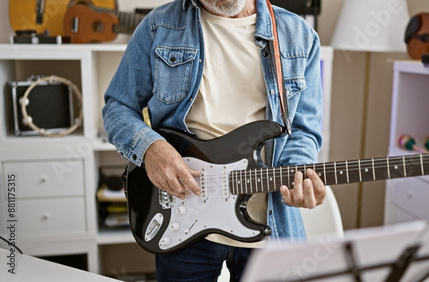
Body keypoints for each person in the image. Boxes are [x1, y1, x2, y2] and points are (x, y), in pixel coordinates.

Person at [102, 0, 326, 280]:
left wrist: (299, 172)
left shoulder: (298, 34)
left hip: (271, 226)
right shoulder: (159, 25)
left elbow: (303, 130)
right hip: (183, 221)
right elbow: (117, 105)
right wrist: (151, 148)